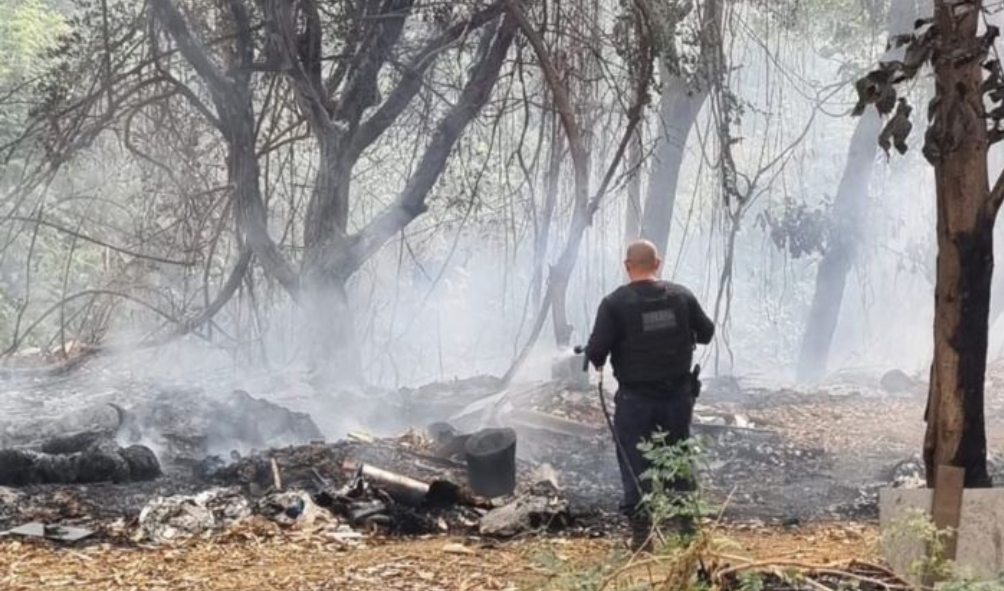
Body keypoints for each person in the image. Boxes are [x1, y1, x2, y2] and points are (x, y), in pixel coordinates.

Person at [584, 239, 714, 551]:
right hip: (677, 399)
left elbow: (597, 352)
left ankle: (642, 537)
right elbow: (707, 333)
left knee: (634, 462)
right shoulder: (681, 296)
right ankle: (686, 531)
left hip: (635, 401)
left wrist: (596, 353)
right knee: (678, 457)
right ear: (658, 263)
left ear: (627, 266)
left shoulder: (614, 304)